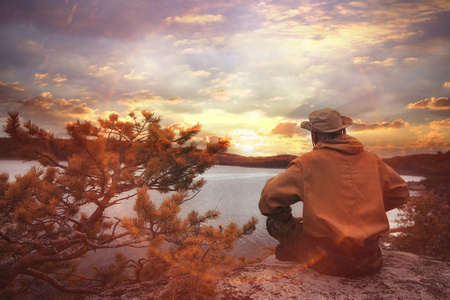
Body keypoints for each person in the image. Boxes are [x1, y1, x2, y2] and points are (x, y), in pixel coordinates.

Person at [259, 108, 409, 277]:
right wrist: (369, 209)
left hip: (332, 263)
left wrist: (297, 218)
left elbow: (267, 202)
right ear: (343, 130)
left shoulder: (306, 163)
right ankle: (303, 251)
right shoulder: (372, 159)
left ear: (314, 135)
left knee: (274, 222)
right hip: (371, 259)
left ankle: (304, 254)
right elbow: (400, 193)